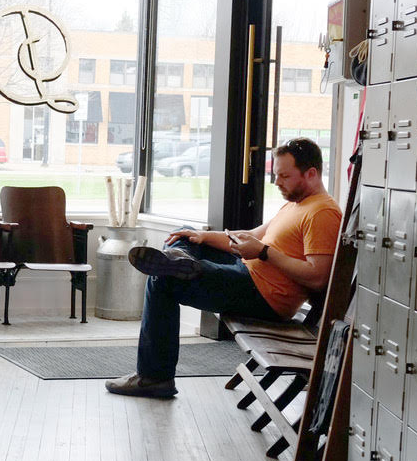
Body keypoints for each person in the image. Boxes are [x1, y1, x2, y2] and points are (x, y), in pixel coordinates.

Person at [106, 138, 343, 398]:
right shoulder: (296, 204)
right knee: (182, 235)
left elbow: (318, 277)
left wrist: (264, 252)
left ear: (311, 173)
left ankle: (154, 378)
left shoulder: (322, 213)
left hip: (263, 297)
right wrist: (203, 236)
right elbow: (251, 235)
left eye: (284, 176)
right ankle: (181, 257)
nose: (277, 183)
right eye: (276, 175)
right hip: (246, 271)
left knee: (163, 280)